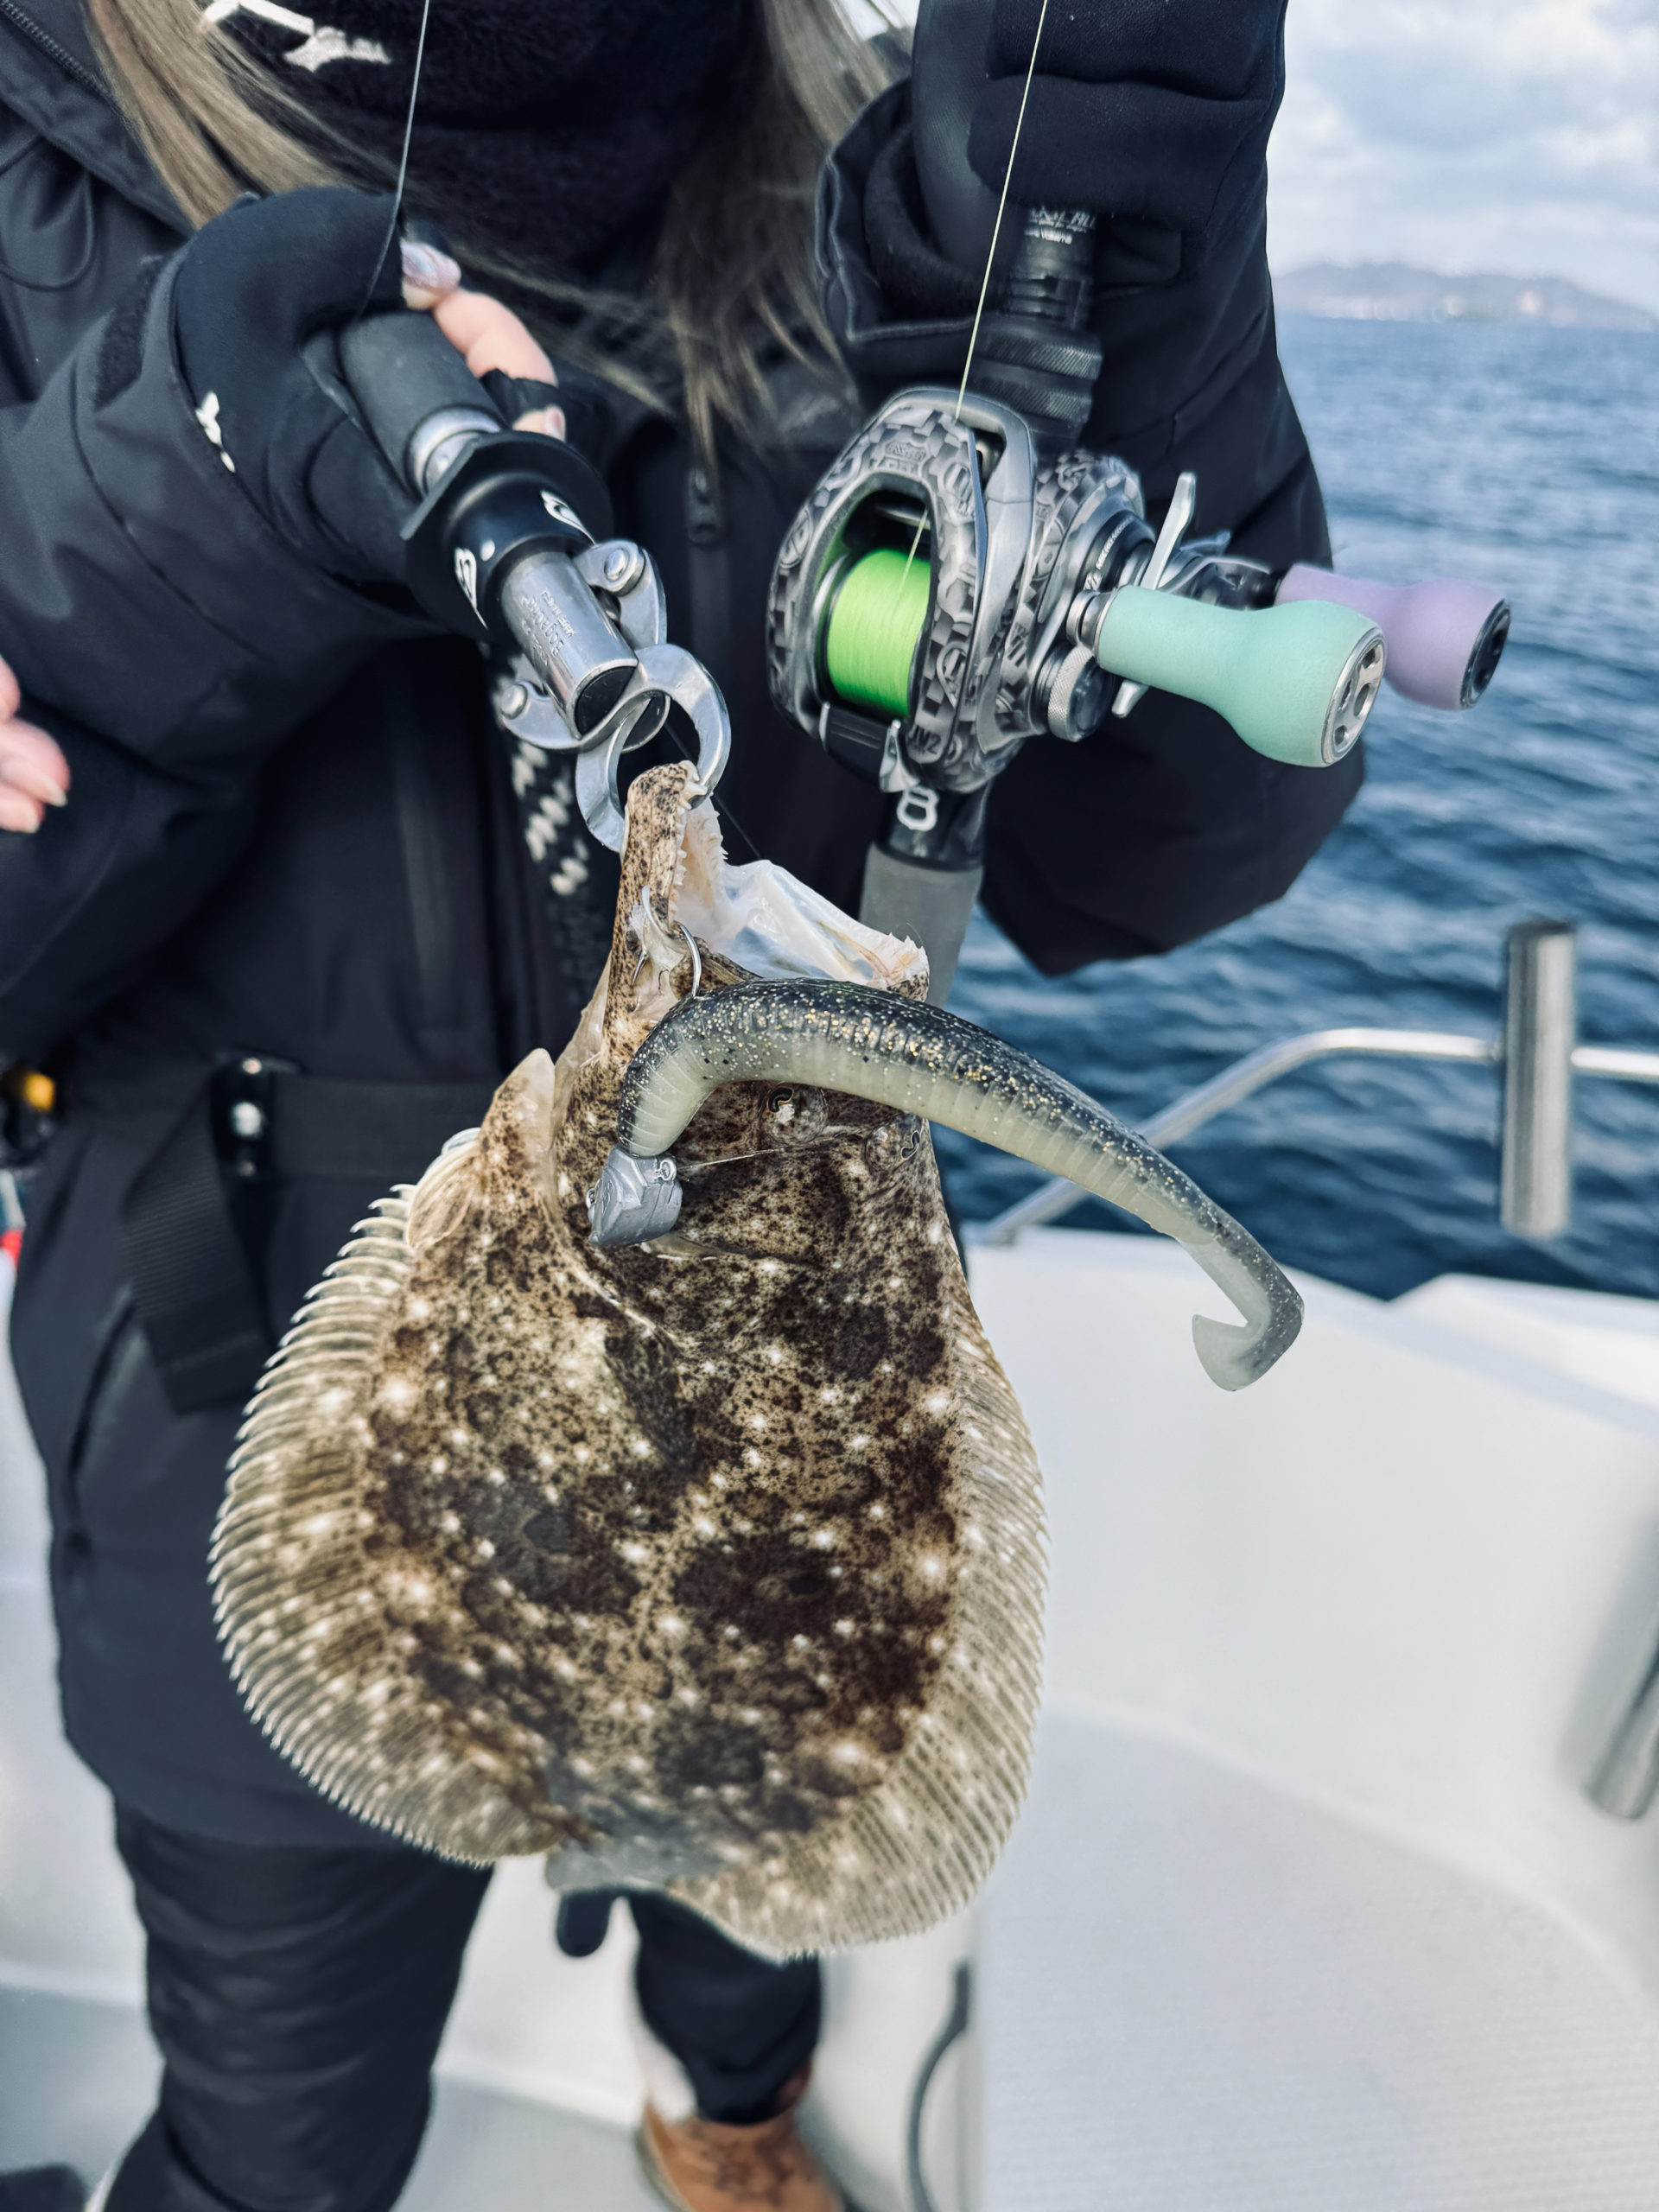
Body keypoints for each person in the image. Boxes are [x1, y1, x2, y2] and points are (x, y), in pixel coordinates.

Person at [0, 0, 1359, 2207]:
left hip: (802, 1504)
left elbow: (1164, 863)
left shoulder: (903, 169)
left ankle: (727, 2123)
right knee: (279, 2129)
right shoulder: (24, 166)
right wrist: (158, 529)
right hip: (211, 1395)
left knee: (755, 1939)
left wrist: (1140, 280)